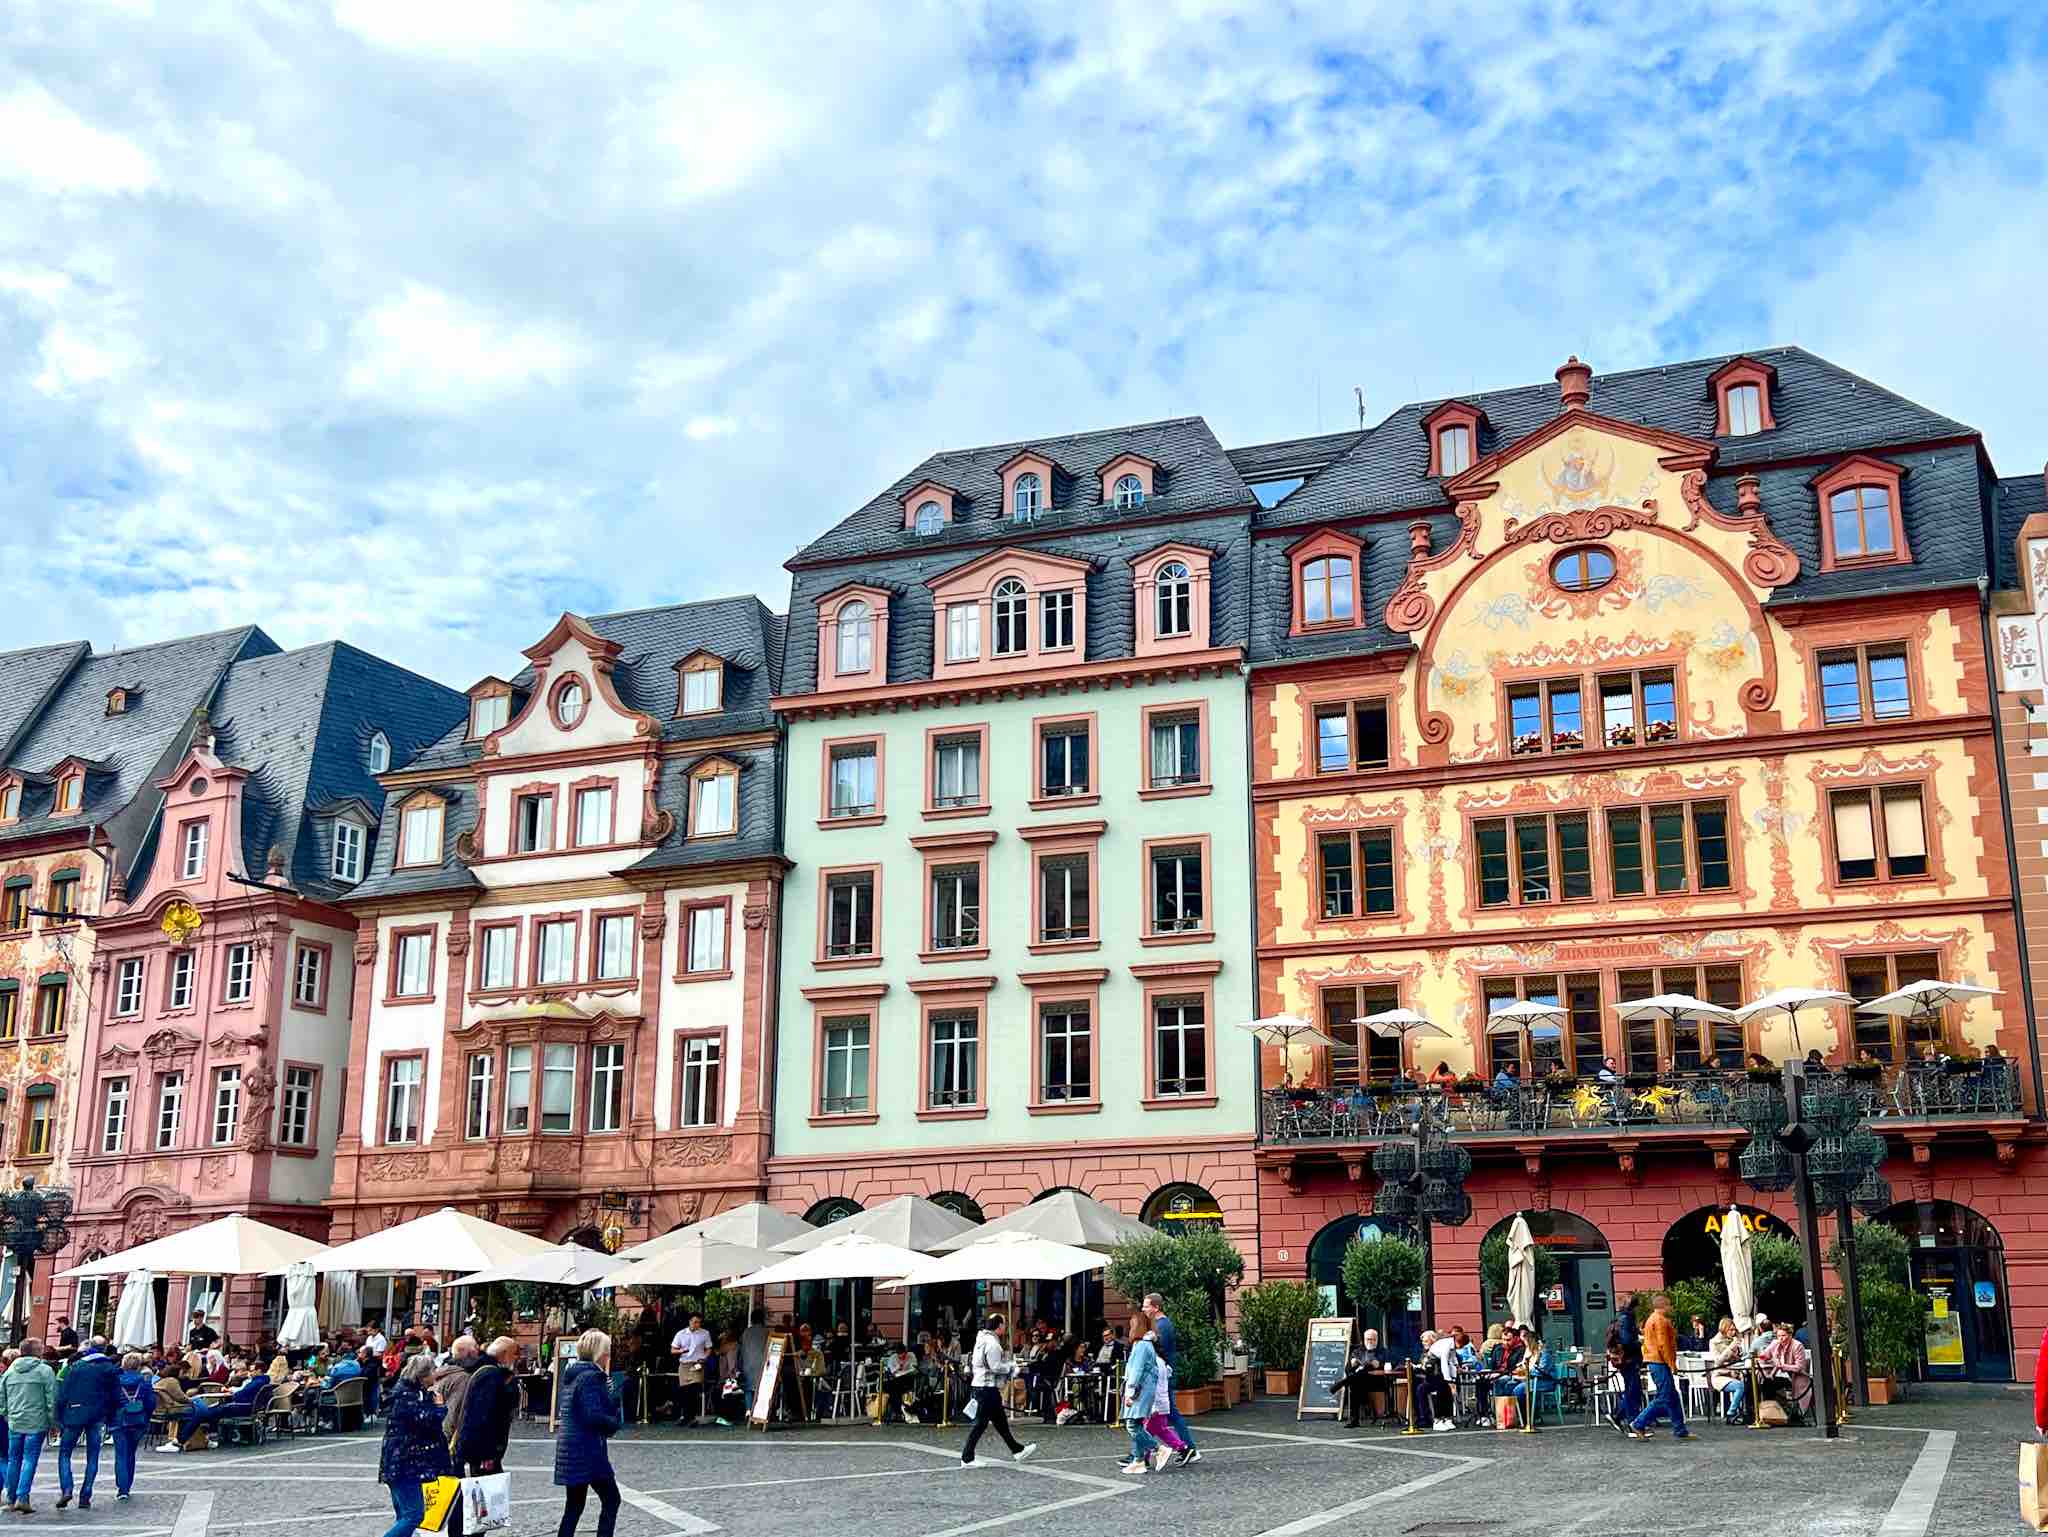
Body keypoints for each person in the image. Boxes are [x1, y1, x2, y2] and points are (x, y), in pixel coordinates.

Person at [555, 1330, 623, 1537]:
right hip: (588, 1449)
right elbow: (593, 1415)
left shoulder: (573, 1375)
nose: (608, 1357)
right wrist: (613, 1421)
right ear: (599, 1353)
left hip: (570, 1448)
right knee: (612, 1499)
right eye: (606, 1352)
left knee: (574, 1505)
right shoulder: (592, 1378)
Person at [377, 1352, 451, 1537]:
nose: (436, 1375)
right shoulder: (406, 1396)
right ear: (423, 1375)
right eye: (433, 1371)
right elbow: (425, 1421)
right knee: (414, 1514)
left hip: (402, 1460)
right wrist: (440, 1407)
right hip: (405, 1461)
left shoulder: (410, 1393)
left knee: (404, 1514)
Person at [957, 1313, 1036, 1468]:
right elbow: (995, 1366)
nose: (1005, 1327)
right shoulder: (992, 1343)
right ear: (999, 1326)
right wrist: (1012, 1367)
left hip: (982, 1386)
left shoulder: (981, 1340)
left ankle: (1017, 1450)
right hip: (987, 1387)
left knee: (1000, 1422)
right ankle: (967, 1458)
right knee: (981, 1423)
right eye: (1004, 1324)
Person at [53, 1335, 120, 1509]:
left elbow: (63, 1394)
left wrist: (58, 1417)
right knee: (92, 1456)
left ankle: (66, 1488)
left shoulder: (77, 1367)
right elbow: (115, 1397)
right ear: (105, 1349)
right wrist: (111, 1417)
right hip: (97, 1416)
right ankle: (86, 1495)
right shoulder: (109, 1368)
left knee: (65, 1453)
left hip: (74, 1413)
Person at [1117, 1314, 1188, 1475]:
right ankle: (1139, 1461)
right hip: (1146, 1392)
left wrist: (1130, 1391)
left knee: (1132, 1425)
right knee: (1139, 1425)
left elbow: (1136, 1370)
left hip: (1139, 1391)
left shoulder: (1141, 1345)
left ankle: (1157, 1449)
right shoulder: (1148, 1345)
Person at [1141, 1293, 1202, 1466]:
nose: (1143, 1309)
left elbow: (1161, 1352)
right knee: (1165, 1416)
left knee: (1165, 1415)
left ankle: (1140, 1453)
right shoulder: (1161, 1325)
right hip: (1164, 1374)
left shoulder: (1163, 1326)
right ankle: (1141, 1453)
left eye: (1146, 1306)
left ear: (1156, 1307)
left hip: (1163, 1376)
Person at [160, 1362, 268, 1453]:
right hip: (243, 1406)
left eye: (253, 1370)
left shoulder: (257, 1382)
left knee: (202, 1413)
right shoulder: (262, 1381)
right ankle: (202, 1439)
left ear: (259, 1371)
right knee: (203, 1412)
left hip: (241, 1407)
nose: (250, 1372)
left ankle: (181, 1441)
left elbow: (240, 1395)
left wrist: (233, 1394)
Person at [1, 1340, 57, 1514]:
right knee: (29, 1459)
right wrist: (53, 1422)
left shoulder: (10, 1372)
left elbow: (2, 1400)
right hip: (37, 1422)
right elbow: (51, 1399)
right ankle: (23, 1497)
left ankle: (10, 1498)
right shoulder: (45, 1371)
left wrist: (8, 1416)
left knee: (13, 1460)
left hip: (15, 1422)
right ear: (37, 1352)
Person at [1627, 1293, 1691, 1441]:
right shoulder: (1661, 1321)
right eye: (1669, 1305)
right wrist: (1672, 1364)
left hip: (1654, 1361)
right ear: (1663, 1306)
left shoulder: (1651, 1319)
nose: (1671, 1307)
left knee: (1672, 1396)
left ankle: (1680, 1428)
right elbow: (1664, 1345)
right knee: (1664, 1396)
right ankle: (1638, 1423)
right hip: (1659, 1362)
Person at [453, 1338, 519, 1478]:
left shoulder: (487, 1370)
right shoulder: (490, 1375)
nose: (516, 1358)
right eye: (515, 1353)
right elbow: (483, 1416)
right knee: (486, 1490)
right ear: (504, 1353)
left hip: (481, 1448)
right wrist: (487, 1454)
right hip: (484, 1451)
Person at [110, 1352, 154, 1502]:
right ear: (139, 1366)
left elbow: (110, 1402)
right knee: (131, 1453)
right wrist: (145, 1418)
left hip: (119, 1421)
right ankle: (128, 1484)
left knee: (120, 1455)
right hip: (138, 1421)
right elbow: (151, 1403)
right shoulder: (145, 1382)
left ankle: (122, 1489)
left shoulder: (116, 1382)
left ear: (123, 1364)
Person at [1336, 1329, 1388, 1428]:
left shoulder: (1382, 1351)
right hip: (1360, 1382)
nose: (1370, 1342)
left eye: (1372, 1339)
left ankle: (1341, 1384)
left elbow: (1389, 1365)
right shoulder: (1358, 1351)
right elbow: (1347, 1369)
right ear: (1364, 1339)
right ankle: (1354, 1420)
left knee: (1354, 1381)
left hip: (1376, 1381)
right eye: (1368, 1339)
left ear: (1377, 1339)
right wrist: (1352, 1364)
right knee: (1355, 1384)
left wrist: (1379, 1364)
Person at [670, 1313, 712, 1427]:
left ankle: (692, 1417)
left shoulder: (705, 1333)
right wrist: (681, 1351)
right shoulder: (681, 1334)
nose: (696, 1324)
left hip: (697, 1364)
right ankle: (685, 1416)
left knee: (694, 1390)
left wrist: (704, 1358)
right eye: (694, 1322)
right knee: (684, 1391)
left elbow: (708, 1348)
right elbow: (672, 1350)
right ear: (689, 1322)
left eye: (698, 1322)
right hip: (684, 1364)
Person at [1608, 1302, 1644, 1430]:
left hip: (1625, 1360)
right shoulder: (1627, 1319)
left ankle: (1618, 1415)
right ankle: (1632, 1423)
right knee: (1633, 1391)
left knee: (1632, 1390)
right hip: (1629, 1360)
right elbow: (1626, 1341)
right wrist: (1639, 1342)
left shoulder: (1619, 1318)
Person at [878, 1343, 919, 1425]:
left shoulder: (911, 1356)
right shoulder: (893, 1358)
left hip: (908, 1379)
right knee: (892, 1388)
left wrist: (907, 1369)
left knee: (891, 1388)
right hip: (896, 1379)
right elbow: (892, 1371)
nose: (902, 1358)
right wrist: (898, 1367)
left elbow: (914, 1368)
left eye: (903, 1356)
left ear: (906, 1352)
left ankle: (899, 1411)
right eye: (900, 1356)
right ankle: (902, 1409)